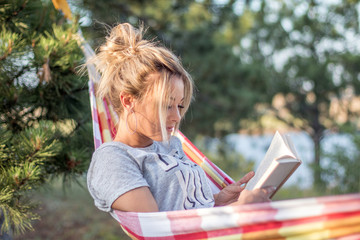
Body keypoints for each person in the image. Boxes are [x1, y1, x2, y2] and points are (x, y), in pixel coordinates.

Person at [87, 23, 275, 220]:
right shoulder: (113, 159)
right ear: (128, 101)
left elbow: (177, 206)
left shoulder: (171, 145)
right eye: (166, 106)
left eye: (180, 105)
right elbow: (157, 228)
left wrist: (216, 200)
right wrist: (235, 212)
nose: (176, 117)